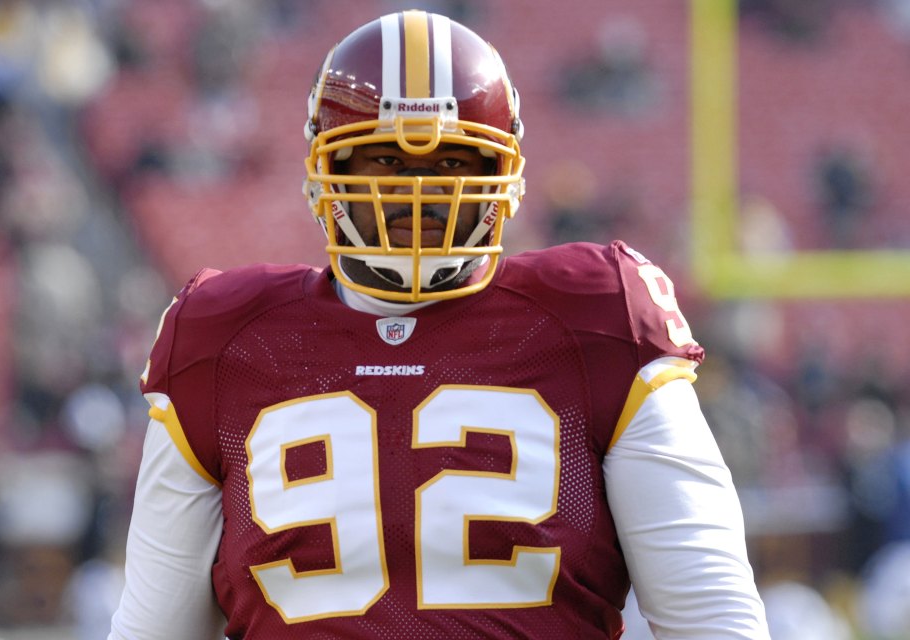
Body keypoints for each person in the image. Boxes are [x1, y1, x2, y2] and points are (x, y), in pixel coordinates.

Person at [108, 10, 770, 640]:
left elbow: (710, 618)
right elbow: (153, 628)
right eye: (386, 161)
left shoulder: (601, 318)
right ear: (325, 172)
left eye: (452, 162)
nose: (418, 190)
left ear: (503, 172)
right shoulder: (223, 340)